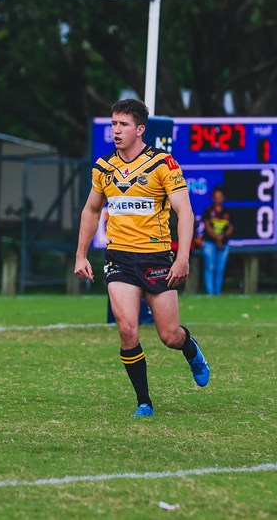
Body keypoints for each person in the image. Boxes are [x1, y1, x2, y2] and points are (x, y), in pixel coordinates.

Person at [74, 98, 210, 417]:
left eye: (122, 125)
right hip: (119, 259)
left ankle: (190, 350)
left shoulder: (164, 164)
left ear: (140, 129)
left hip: (157, 258)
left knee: (169, 335)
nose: (116, 131)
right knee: (127, 330)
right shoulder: (103, 167)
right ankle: (144, 402)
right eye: (113, 124)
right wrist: (80, 255)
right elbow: (92, 210)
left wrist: (183, 257)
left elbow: (185, 212)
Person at [201, 187, 234, 295]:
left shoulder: (227, 212)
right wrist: (216, 238)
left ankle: (217, 292)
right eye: (216, 197)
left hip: (223, 244)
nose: (218, 199)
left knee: (220, 268)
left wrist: (222, 237)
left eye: (220, 197)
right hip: (209, 243)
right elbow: (207, 226)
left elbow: (230, 228)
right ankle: (210, 293)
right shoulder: (208, 210)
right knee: (210, 267)